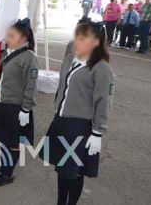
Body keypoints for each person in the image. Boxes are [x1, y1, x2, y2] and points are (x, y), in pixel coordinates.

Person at [41, 23, 114, 205]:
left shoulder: (102, 68)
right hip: (62, 121)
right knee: (62, 169)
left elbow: (103, 102)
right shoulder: (70, 59)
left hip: (80, 127)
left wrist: (97, 132)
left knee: (74, 171)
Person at [0, 19, 38, 186]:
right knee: (4, 139)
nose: (7, 38)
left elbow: (31, 85)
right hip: (1, 104)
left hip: (15, 108)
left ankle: (7, 174)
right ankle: (2, 170)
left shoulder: (29, 57)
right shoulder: (7, 53)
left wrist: (26, 109)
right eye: (7, 35)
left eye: (11, 36)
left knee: (13, 142)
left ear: (23, 38)